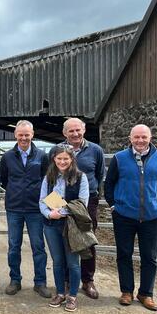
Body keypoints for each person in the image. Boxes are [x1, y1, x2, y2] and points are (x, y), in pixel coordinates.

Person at [104, 124, 157, 311]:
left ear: (150, 138)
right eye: (136, 137)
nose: (140, 141)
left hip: (152, 216)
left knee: (149, 257)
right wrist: (114, 206)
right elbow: (109, 184)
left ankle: (146, 293)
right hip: (124, 215)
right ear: (130, 138)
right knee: (124, 254)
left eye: (144, 137)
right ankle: (126, 291)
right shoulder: (119, 159)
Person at [53, 118, 104, 299]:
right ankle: (67, 280)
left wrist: (93, 196)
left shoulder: (96, 150)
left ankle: (87, 279)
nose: (75, 134)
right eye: (71, 131)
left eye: (78, 130)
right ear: (64, 133)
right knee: (65, 237)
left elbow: (99, 174)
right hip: (62, 198)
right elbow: (50, 175)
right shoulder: (57, 149)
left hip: (87, 201)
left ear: (83, 130)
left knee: (87, 238)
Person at [0, 120, 51, 298]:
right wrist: (16, 191)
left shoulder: (42, 156)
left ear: (32, 134)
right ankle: (15, 280)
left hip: (35, 209)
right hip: (14, 208)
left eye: (26, 135)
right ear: (15, 135)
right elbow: (4, 180)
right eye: (20, 135)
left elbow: (47, 180)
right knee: (14, 246)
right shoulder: (7, 157)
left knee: (38, 246)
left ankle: (40, 282)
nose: (23, 138)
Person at [39, 145, 90, 312]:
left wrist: (60, 212)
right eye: (59, 158)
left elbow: (82, 203)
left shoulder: (81, 178)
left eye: (65, 159)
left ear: (72, 159)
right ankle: (60, 292)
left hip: (72, 226)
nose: (62, 161)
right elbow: (42, 200)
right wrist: (48, 214)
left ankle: (72, 295)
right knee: (58, 262)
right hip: (51, 225)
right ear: (54, 159)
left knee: (73, 262)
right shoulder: (49, 177)